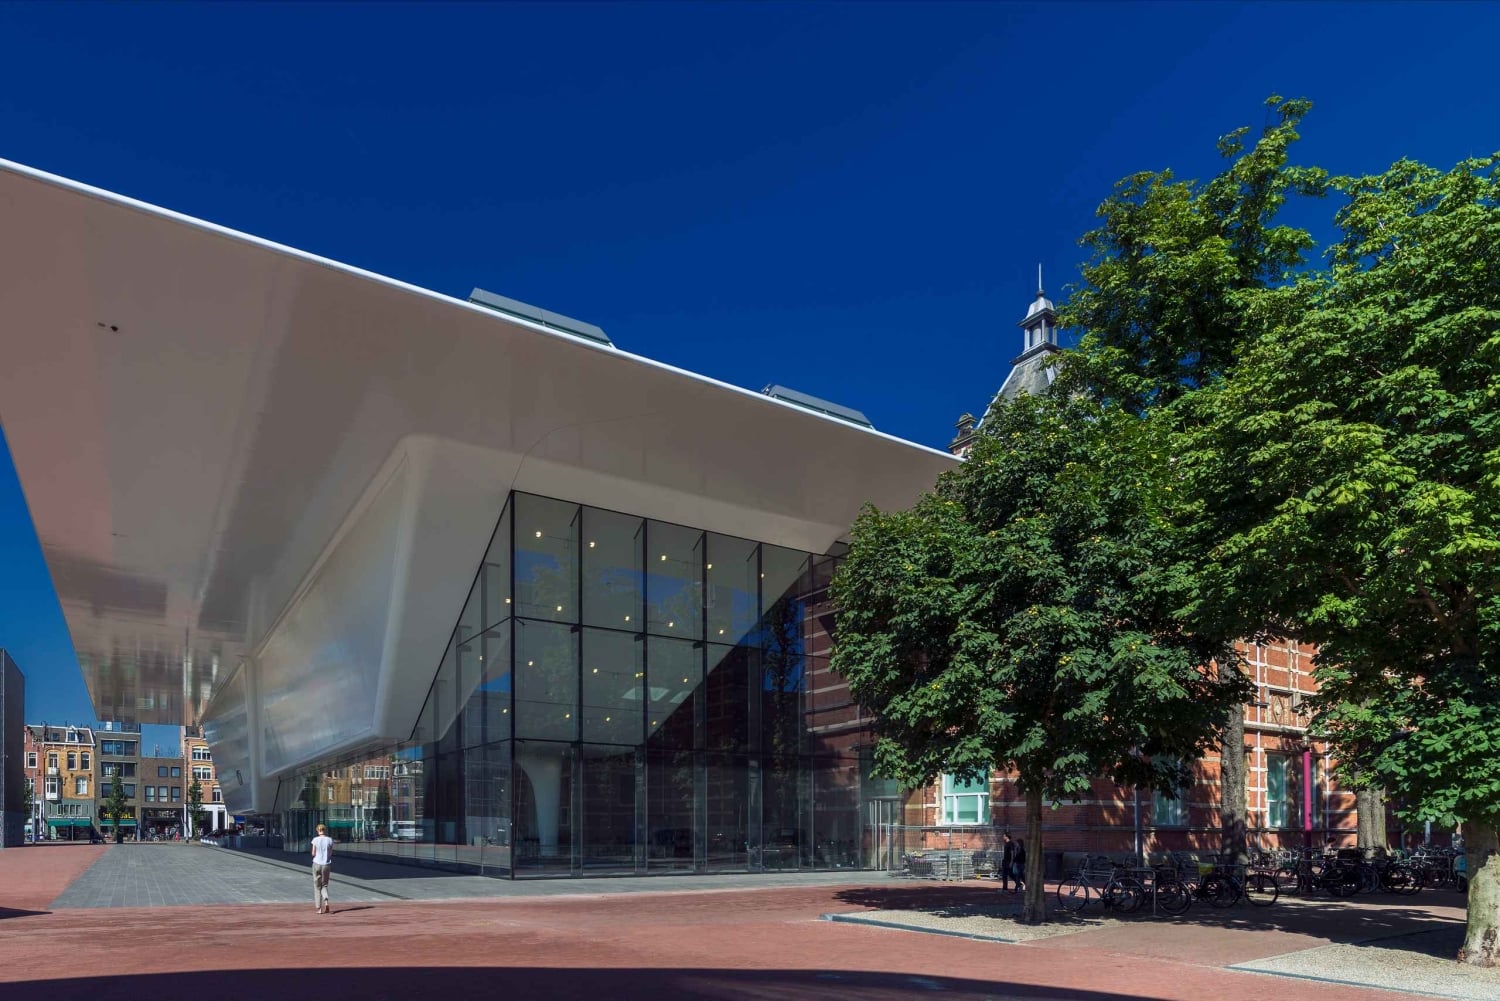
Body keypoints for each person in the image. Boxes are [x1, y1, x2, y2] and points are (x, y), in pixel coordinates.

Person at [311, 823, 334, 915]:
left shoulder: (315, 840)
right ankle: (326, 902)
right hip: (326, 864)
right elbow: (330, 853)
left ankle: (319, 908)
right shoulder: (330, 840)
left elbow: (313, 853)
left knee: (317, 886)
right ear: (325, 830)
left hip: (316, 863)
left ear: (318, 830)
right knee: (324, 885)